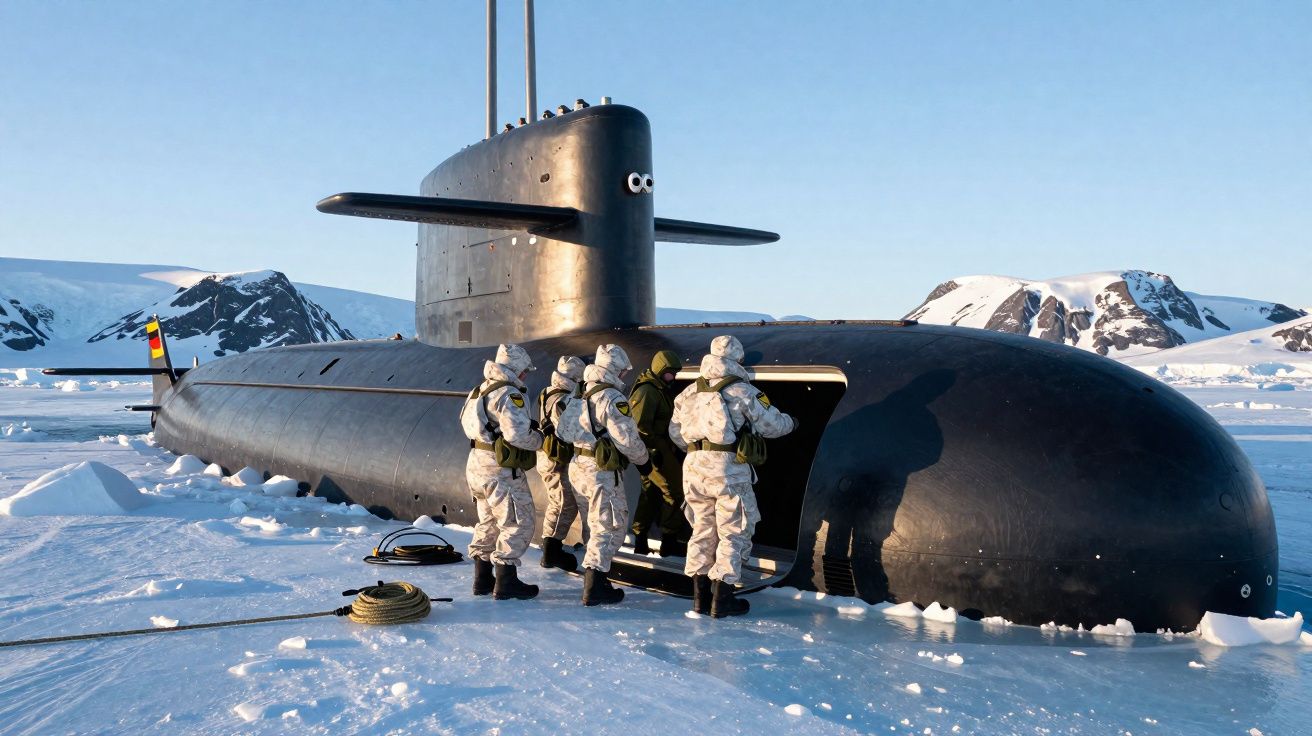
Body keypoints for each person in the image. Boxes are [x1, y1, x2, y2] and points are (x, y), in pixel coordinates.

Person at [669, 335, 796, 618]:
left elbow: (675, 432)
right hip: (727, 469)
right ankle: (722, 597)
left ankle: (699, 598)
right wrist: (793, 421)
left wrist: (699, 450)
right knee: (733, 530)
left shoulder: (688, 393)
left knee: (702, 528)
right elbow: (773, 425)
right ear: (737, 360)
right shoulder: (743, 391)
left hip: (692, 467)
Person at [564, 344, 652, 605]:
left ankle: (593, 576)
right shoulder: (612, 397)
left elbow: (562, 430)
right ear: (615, 370)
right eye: (623, 371)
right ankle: (596, 583)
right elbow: (627, 438)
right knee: (610, 525)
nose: (624, 376)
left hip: (578, 464)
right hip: (600, 470)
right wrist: (644, 461)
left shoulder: (579, 392)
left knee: (592, 524)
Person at [459, 343, 544, 600]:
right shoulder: (509, 394)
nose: (525, 375)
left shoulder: (480, 390)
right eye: (524, 370)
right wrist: (539, 440)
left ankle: (482, 579)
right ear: (515, 368)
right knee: (518, 521)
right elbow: (518, 435)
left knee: (488, 520)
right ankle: (506, 581)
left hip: (477, 464)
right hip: (500, 469)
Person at [628, 349, 691, 557]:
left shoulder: (659, 388)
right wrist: (655, 448)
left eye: (674, 373)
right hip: (654, 450)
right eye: (669, 373)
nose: (672, 377)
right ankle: (669, 540)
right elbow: (639, 426)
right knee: (674, 491)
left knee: (650, 493)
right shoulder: (648, 391)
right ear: (659, 370)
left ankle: (641, 539)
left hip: (656, 448)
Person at [536, 355, 585, 572]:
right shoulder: (562, 399)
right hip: (556, 458)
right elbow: (566, 430)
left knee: (561, 501)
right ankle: (551, 551)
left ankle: (551, 549)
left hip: (549, 456)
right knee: (563, 502)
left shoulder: (548, 391)